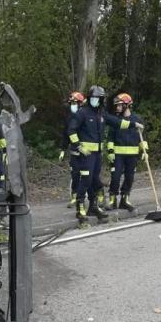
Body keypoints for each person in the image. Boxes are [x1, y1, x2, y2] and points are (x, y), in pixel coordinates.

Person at [66, 85, 110, 224]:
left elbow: (116, 122)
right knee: (85, 179)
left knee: (93, 180)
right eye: (93, 98)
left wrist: (133, 124)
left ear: (102, 100)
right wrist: (78, 146)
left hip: (97, 155)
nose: (95, 100)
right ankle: (80, 208)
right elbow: (71, 131)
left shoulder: (101, 114)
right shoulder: (83, 113)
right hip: (86, 155)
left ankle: (93, 206)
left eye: (98, 98)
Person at [104, 92, 147, 212]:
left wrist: (144, 151)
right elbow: (110, 138)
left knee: (129, 178)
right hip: (118, 155)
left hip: (132, 156)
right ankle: (112, 200)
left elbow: (142, 138)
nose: (117, 108)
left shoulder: (137, 120)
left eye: (119, 105)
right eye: (116, 105)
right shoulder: (116, 120)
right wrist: (111, 152)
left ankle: (125, 199)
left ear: (127, 106)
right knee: (115, 177)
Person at [59, 91, 86, 208]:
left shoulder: (86, 116)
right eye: (71, 103)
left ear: (80, 103)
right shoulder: (69, 117)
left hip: (86, 151)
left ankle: (93, 197)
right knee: (75, 175)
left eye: (74, 103)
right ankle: (74, 197)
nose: (72, 105)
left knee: (87, 176)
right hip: (74, 151)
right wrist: (62, 149)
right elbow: (66, 134)